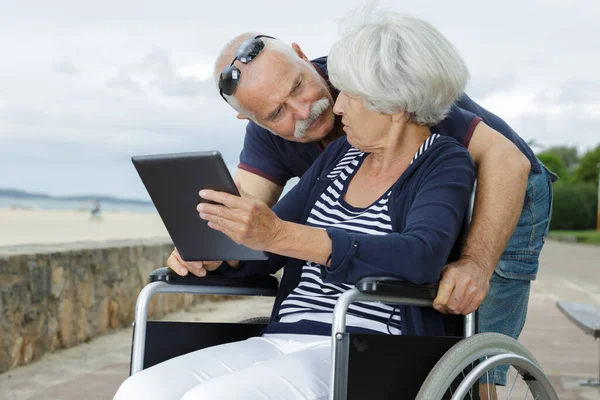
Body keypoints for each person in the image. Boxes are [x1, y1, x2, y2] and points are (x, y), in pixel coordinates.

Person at [115, 10, 475, 399]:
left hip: (360, 347)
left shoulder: (443, 161)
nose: (336, 108)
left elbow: (420, 256)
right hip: (282, 339)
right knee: (142, 389)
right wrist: (220, 253)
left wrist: (285, 235)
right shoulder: (340, 155)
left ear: (395, 103)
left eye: (350, 95)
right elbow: (268, 246)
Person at [197, 13, 556, 389]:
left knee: (475, 361)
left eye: (299, 86)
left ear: (303, 56)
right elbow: (249, 221)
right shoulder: (286, 141)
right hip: (404, 216)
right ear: (249, 118)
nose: (304, 110)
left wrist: (475, 265)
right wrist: (208, 249)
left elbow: (507, 161)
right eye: (276, 113)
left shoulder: (386, 79)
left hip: (504, 187)